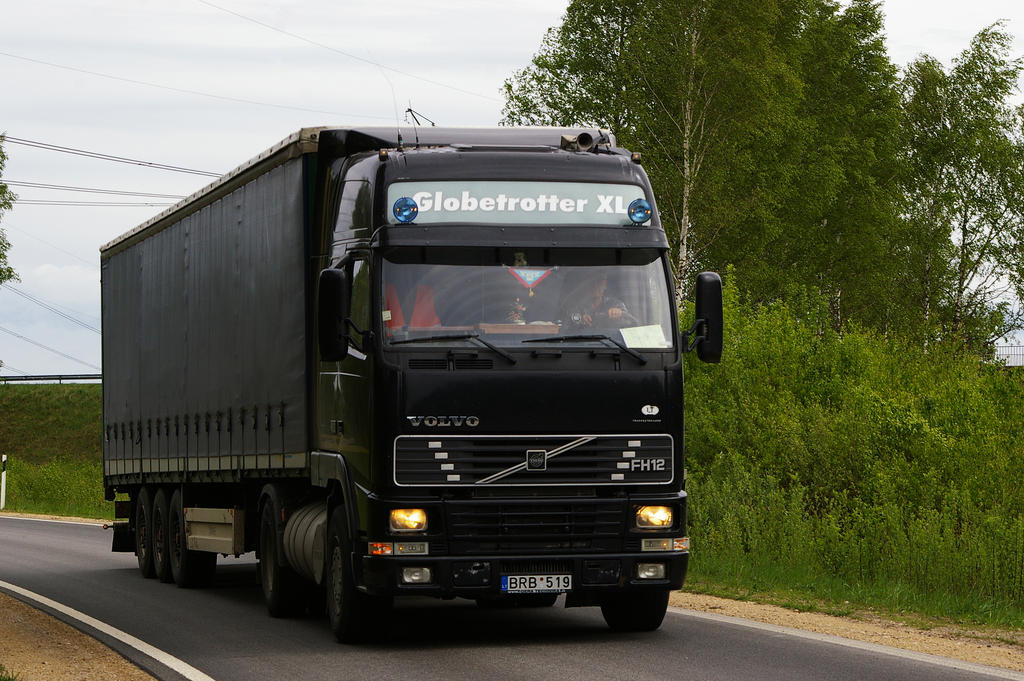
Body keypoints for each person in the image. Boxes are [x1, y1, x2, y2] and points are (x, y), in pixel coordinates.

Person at [561, 270, 629, 329]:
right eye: (592, 281)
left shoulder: (616, 304)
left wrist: (620, 314)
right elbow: (566, 326)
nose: (595, 285)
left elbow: (631, 323)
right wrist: (580, 320)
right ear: (586, 285)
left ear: (605, 285)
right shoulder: (577, 307)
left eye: (599, 281)